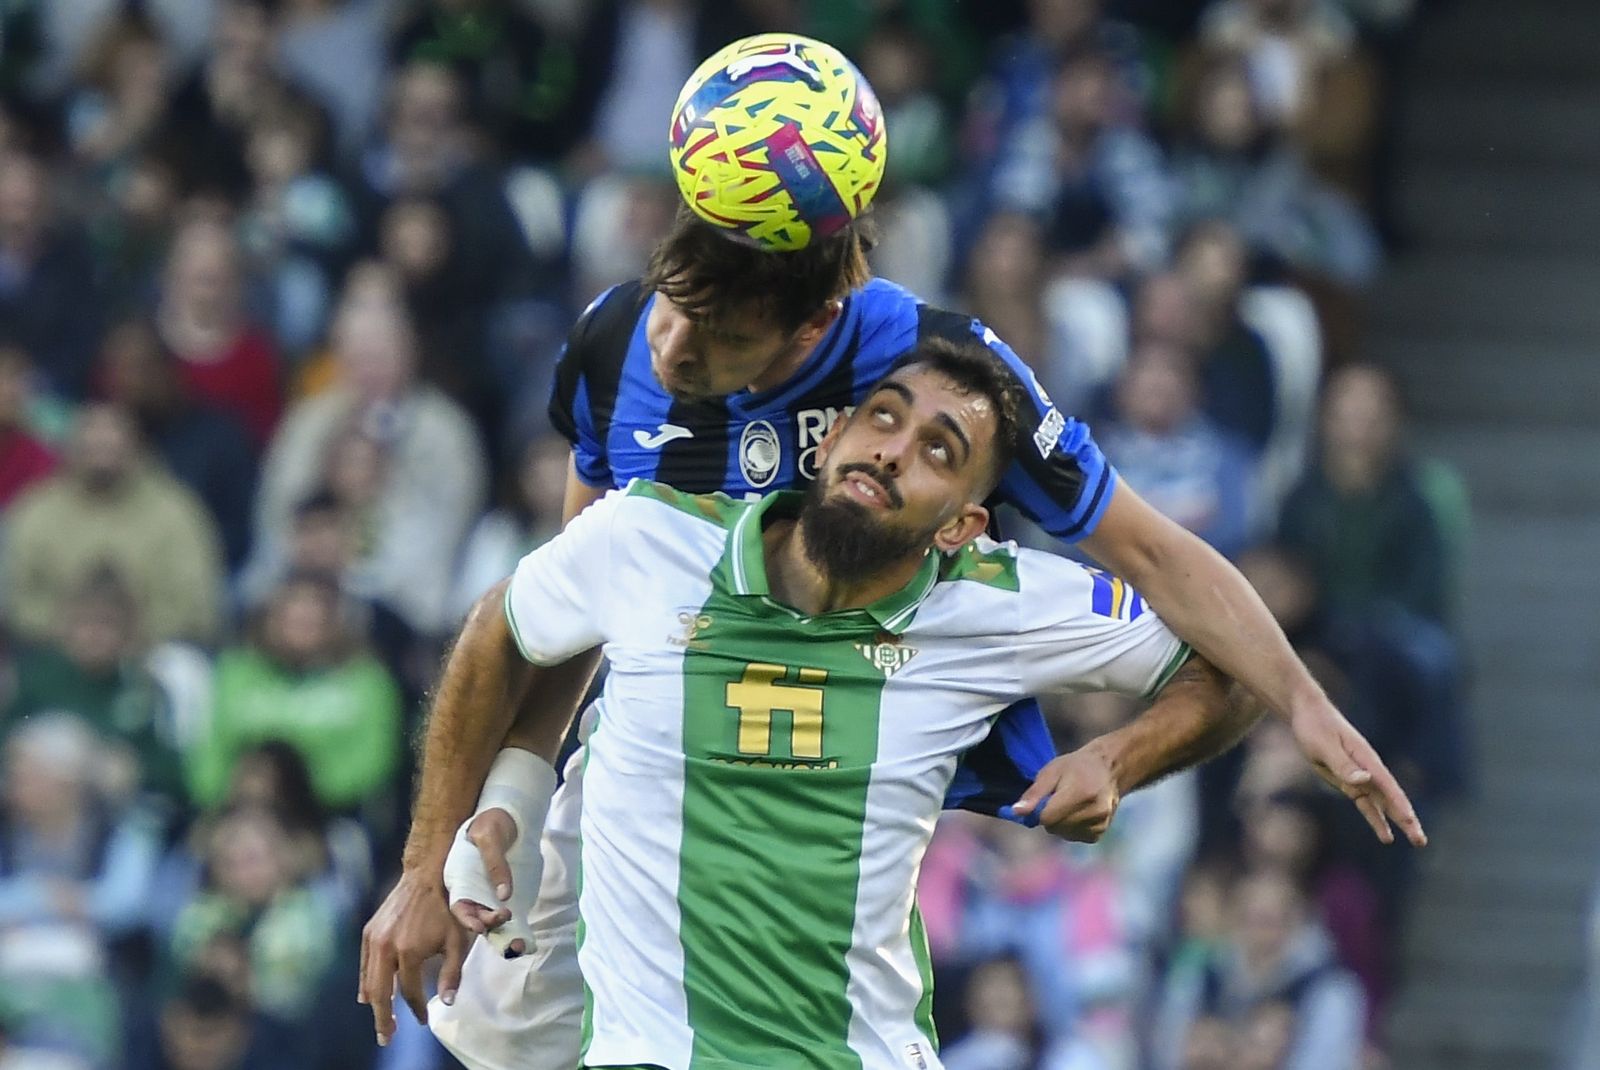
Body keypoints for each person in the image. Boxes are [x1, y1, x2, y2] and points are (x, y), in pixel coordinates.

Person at [361, 206, 1425, 1053]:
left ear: (812, 336)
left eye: (716, 337)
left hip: (852, 1011)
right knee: (487, 1018)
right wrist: (492, 811)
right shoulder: (638, 450)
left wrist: (1261, 713)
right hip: (639, 810)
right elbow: (546, 620)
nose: (671, 351)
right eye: (667, 313)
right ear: (829, 438)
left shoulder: (973, 533)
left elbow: (1154, 560)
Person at [440, 343, 1255, 1068]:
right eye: (883, 418)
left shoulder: (991, 601)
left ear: (961, 526)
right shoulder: (652, 541)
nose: (894, 451)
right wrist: (422, 865)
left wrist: (1117, 759)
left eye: (938, 450)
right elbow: (497, 628)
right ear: (829, 440)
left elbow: (1238, 667)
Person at [4, 403, 224, 646]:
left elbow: (196, 604)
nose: (102, 456)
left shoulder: (176, 511)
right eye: (93, 447)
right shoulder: (36, 511)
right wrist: (73, 630)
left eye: (111, 446)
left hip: (152, 648)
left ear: (136, 449)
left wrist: (125, 633)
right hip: (54, 647)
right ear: (73, 450)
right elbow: (15, 597)